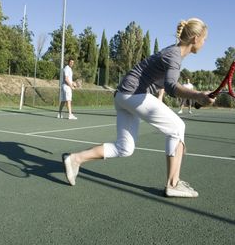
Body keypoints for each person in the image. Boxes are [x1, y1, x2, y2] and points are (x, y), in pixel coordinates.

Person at [62, 18, 214, 198]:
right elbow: (172, 87)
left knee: (125, 148)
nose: (204, 43)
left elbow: (170, 82)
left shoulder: (172, 54)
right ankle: (173, 184)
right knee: (177, 127)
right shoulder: (174, 55)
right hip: (134, 94)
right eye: (204, 39)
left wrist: (198, 95)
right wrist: (197, 95)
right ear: (195, 38)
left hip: (123, 96)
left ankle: (75, 159)